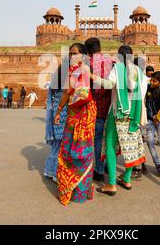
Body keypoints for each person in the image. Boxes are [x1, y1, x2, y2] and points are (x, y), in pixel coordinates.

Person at [90, 45, 148, 196]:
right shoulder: (140, 73)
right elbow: (142, 96)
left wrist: (92, 77)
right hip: (134, 116)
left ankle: (111, 184)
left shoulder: (118, 68)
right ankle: (127, 179)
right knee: (132, 147)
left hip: (117, 114)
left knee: (109, 144)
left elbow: (109, 85)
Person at [54, 43, 97, 206]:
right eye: (70, 54)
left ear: (83, 55)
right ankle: (82, 192)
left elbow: (66, 92)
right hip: (85, 110)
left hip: (81, 112)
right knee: (84, 150)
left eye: (75, 53)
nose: (72, 56)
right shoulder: (86, 69)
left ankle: (72, 189)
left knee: (72, 150)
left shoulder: (75, 70)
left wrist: (58, 111)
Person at [85, 37, 113, 183]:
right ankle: (109, 165)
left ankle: (99, 170)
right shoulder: (112, 61)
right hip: (111, 106)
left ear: (88, 51)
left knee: (97, 139)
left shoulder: (87, 63)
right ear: (100, 47)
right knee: (108, 139)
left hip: (95, 106)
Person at [44, 63, 69, 181]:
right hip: (64, 112)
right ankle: (56, 173)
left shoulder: (56, 79)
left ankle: (49, 171)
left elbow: (51, 97)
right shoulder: (68, 79)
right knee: (62, 144)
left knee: (56, 144)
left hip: (56, 111)